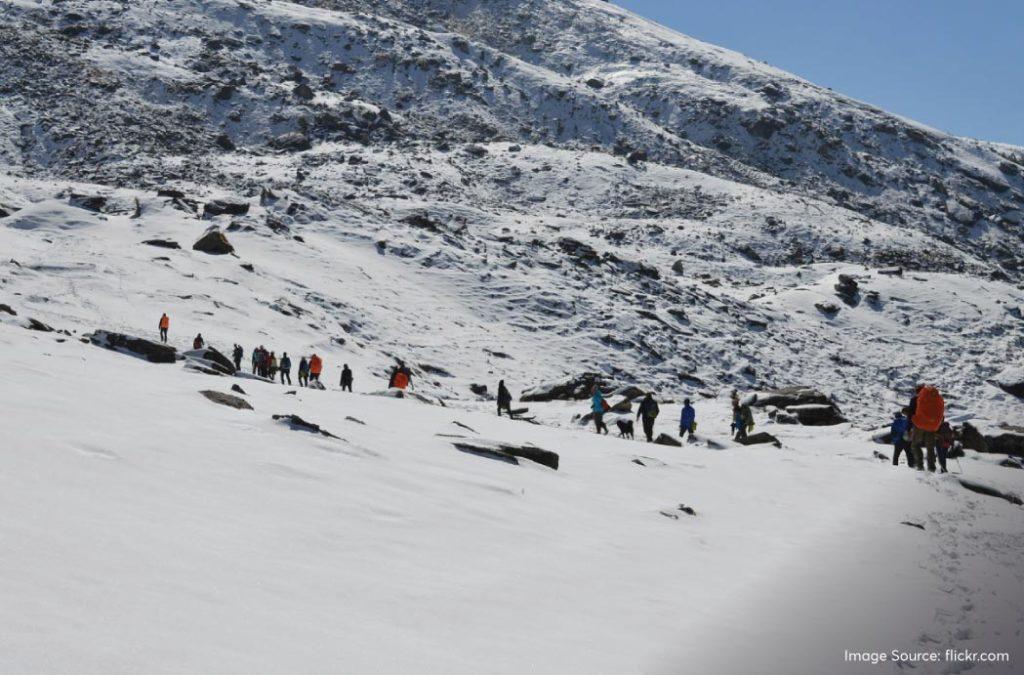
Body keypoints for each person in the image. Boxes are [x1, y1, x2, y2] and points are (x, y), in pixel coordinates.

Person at [910, 384, 945, 472]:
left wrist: (910, 418)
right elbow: (941, 413)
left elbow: (911, 411)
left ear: (918, 391)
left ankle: (920, 466)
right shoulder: (937, 398)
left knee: (915, 445)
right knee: (930, 447)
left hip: (919, 425)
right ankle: (931, 467)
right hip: (932, 426)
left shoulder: (916, 399)